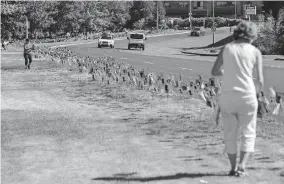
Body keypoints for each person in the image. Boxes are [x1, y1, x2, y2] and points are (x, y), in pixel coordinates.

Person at [211, 21, 264, 177]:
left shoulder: (227, 49)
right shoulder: (255, 52)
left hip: (228, 95)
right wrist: (257, 95)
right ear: (252, 35)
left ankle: (233, 167)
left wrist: (229, 73)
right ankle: (242, 165)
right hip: (247, 95)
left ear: (235, 33)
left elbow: (215, 71)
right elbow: (260, 80)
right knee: (248, 131)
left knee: (230, 133)